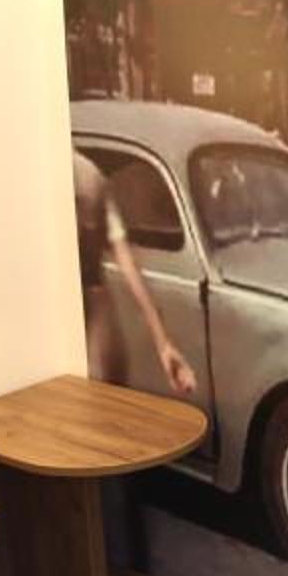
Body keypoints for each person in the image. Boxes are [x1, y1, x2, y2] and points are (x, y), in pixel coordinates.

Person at [73, 150, 196, 400]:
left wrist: (163, 343)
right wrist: (163, 342)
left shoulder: (83, 176)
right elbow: (125, 258)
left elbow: (125, 257)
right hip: (93, 320)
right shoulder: (89, 175)